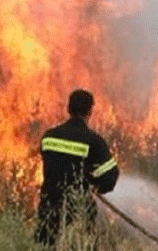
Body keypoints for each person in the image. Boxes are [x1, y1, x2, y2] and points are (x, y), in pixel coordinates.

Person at [35, 89, 119, 247]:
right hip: (78, 213)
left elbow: (55, 165)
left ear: (68, 109)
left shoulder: (48, 136)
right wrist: (94, 181)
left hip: (48, 209)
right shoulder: (93, 141)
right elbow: (111, 175)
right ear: (90, 112)